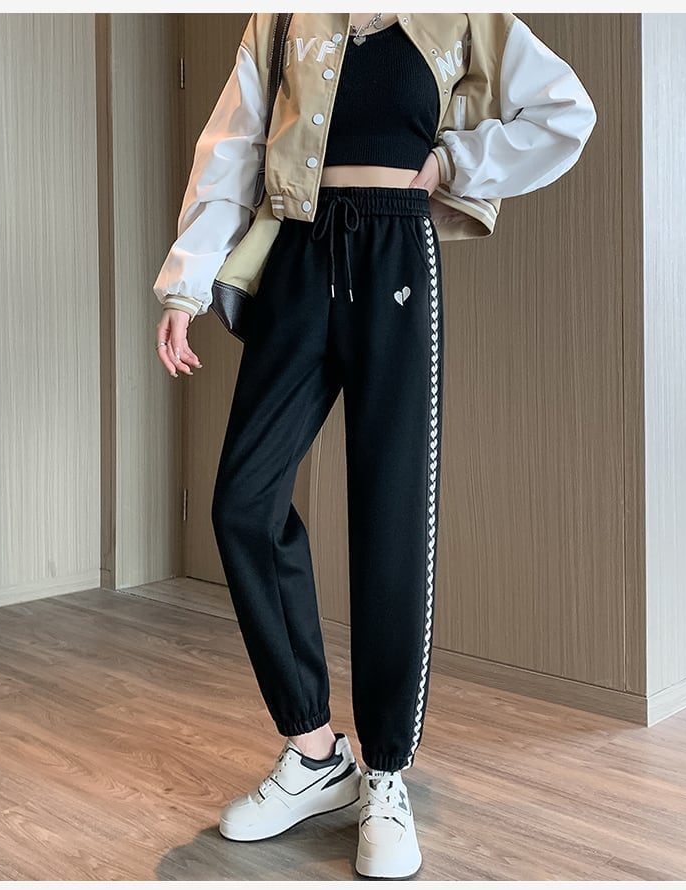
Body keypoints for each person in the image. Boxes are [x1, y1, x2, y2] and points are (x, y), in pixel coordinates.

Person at [153, 12, 596, 879]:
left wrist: (453, 164)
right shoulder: (281, 18)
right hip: (297, 252)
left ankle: (386, 772)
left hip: (397, 248)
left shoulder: (461, 15)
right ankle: (316, 754)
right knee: (244, 503)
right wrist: (186, 283)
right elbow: (234, 143)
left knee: (392, 517)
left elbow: (564, 112)